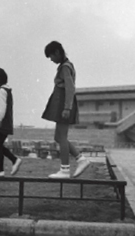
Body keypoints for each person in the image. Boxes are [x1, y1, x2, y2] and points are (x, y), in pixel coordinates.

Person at [42, 41, 90, 179]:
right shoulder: (65, 66)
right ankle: (81, 159)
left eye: (51, 56)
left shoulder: (65, 67)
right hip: (62, 105)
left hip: (64, 105)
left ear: (57, 52)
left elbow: (70, 88)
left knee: (62, 137)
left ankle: (64, 170)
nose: (51, 60)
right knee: (58, 137)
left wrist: (67, 108)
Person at [0, 67, 22, 176]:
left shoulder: (1, 91)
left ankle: (2, 168)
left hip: (2, 123)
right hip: (6, 123)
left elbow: (2, 107)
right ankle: (12, 161)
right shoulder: (7, 90)